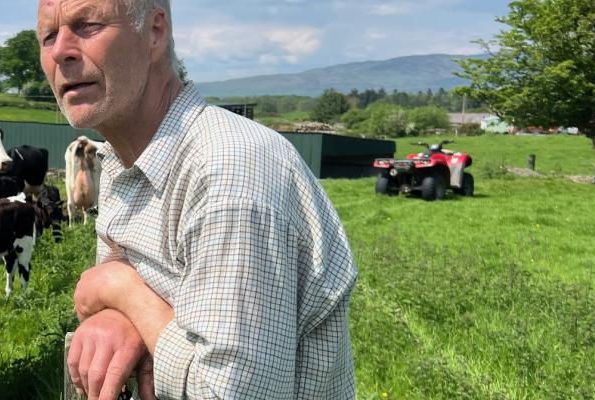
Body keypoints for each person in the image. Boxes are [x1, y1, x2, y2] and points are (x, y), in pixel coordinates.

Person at [36, 0, 360, 399]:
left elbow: (230, 394)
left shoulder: (229, 173)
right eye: (48, 35)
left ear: (155, 32)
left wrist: (122, 291)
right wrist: (124, 319)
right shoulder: (124, 162)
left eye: (87, 25)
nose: (60, 51)